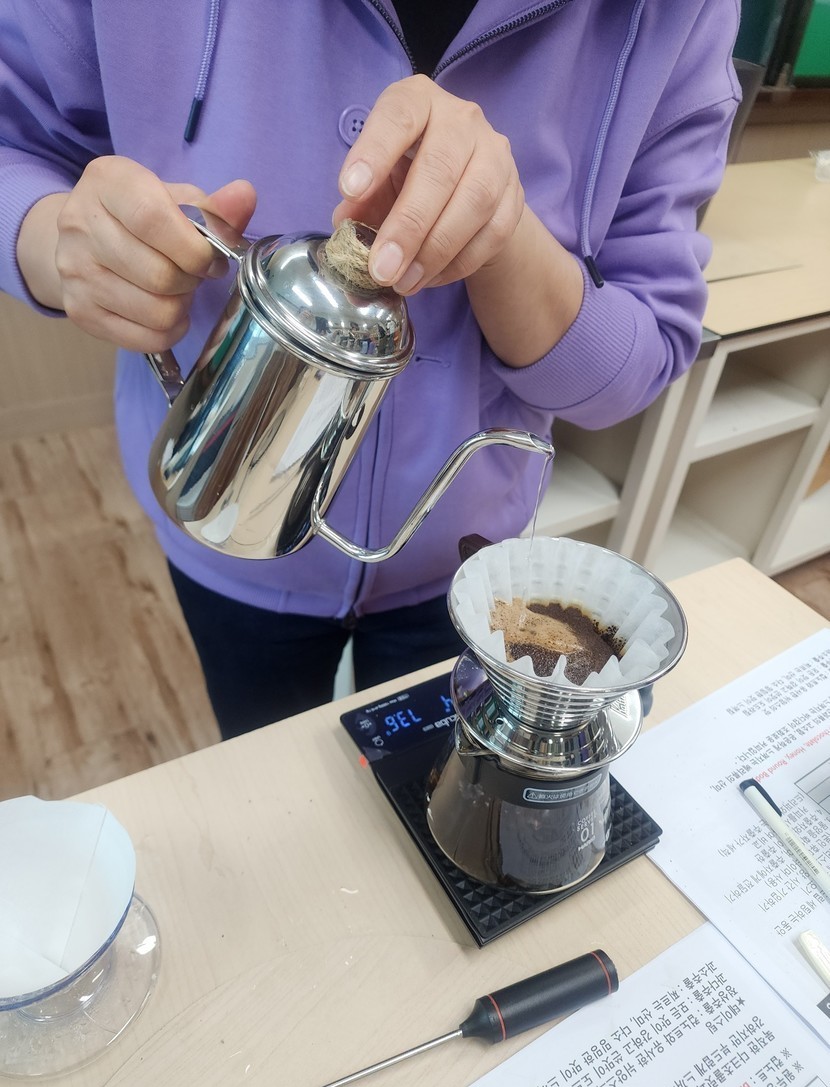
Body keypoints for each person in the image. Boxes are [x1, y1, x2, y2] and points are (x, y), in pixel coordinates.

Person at [0, 1, 740, 739]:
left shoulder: (680, 14)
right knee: (267, 756)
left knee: (424, 776)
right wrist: (58, 242)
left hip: (465, 567)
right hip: (223, 524)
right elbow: (15, 147)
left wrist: (505, 237)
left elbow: (644, 350)